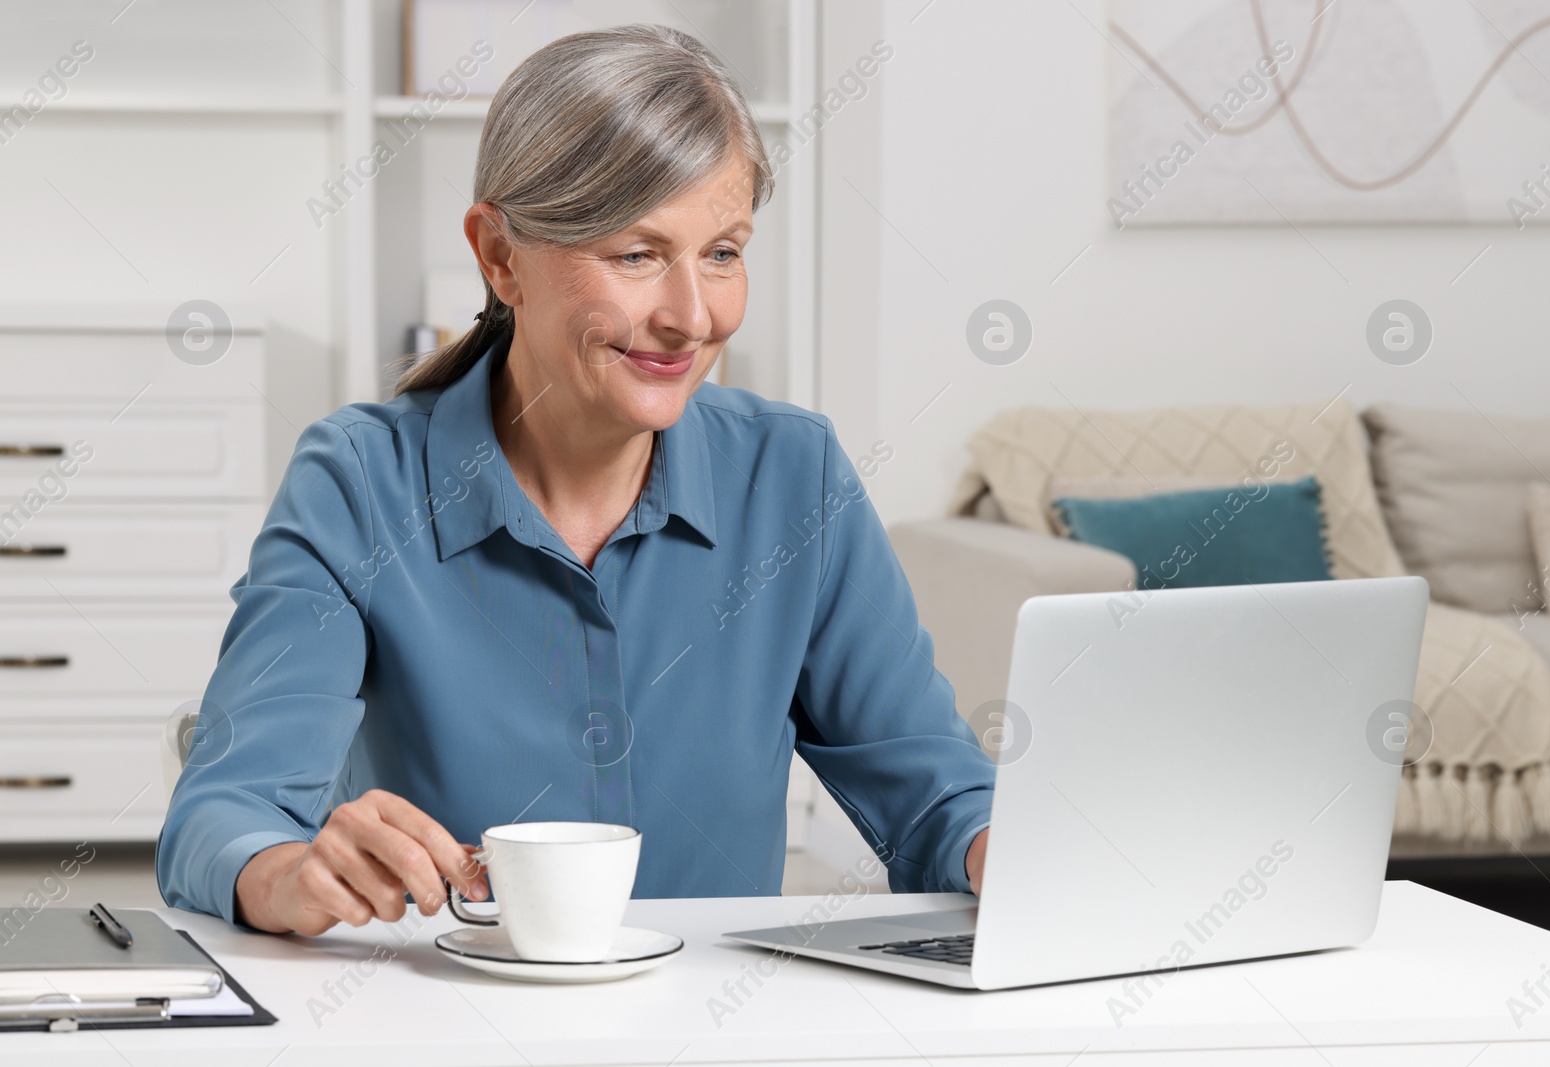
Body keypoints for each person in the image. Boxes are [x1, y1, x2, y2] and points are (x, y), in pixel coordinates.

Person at [156, 23, 994, 937]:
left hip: (711, 1027)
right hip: (451, 1021)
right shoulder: (358, 482)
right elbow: (223, 815)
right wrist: (286, 871)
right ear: (500, 256)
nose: (691, 317)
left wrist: (1004, 845)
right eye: (636, 255)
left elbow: (938, 795)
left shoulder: (794, 476)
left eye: (722, 252)